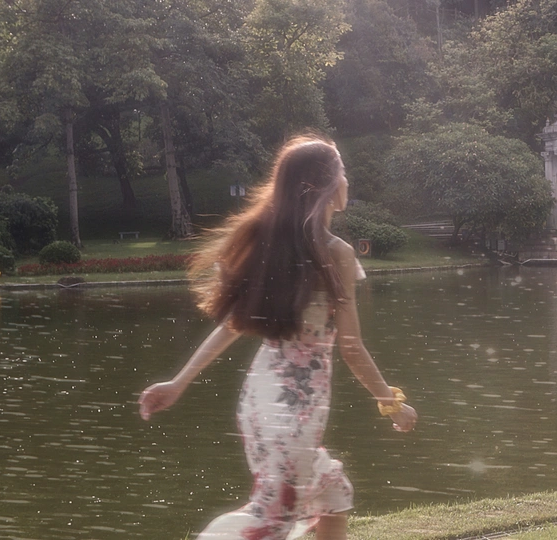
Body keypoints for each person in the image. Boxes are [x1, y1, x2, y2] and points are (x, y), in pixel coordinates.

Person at [137, 135, 417, 540]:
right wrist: (392, 405)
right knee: (269, 523)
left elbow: (231, 325)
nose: (347, 181)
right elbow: (351, 347)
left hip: (259, 401)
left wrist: (179, 383)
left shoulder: (274, 246)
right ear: (325, 185)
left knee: (334, 493)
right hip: (296, 409)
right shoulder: (335, 252)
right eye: (342, 173)